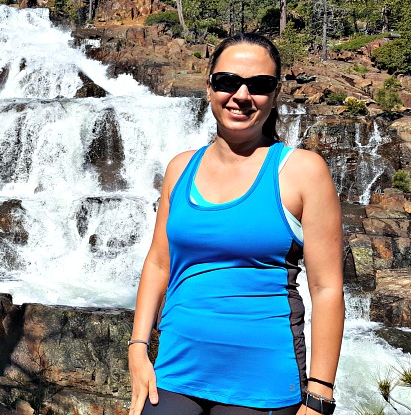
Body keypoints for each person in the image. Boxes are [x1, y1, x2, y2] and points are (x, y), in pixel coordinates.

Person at [128, 33, 344, 415]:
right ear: (210, 87)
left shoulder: (302, 171)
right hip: (175, 374)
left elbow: (326, 288)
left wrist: (320, 394)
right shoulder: (180, 168)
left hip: (265, 381)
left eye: (259, 85)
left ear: (275, 94)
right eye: (228, 81)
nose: (242, 95)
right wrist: (138, 349)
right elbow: (159, 263)